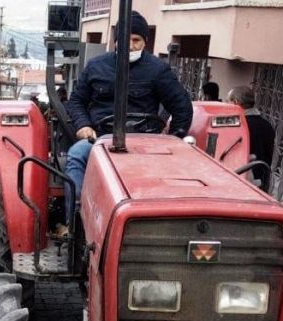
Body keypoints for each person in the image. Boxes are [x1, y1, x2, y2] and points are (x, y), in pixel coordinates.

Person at [63, 11, 193, 231]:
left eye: (136, 40)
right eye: (126, 39)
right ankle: (75, 224)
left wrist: (173, 139)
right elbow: (76, 101)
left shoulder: (158, 70)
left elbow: (182, 108)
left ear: (145, 42)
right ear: (116, 41)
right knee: (76, 156)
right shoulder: (96, 67)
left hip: (147, 144)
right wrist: (84, 126)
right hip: (99, 139)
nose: (131, 45)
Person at [227, 86, 275, 187]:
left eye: (228, 101)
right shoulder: (267, 125)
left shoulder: (239, 126)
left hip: (242, 181)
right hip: (263, 180)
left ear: (236, 102)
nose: (227, 105)